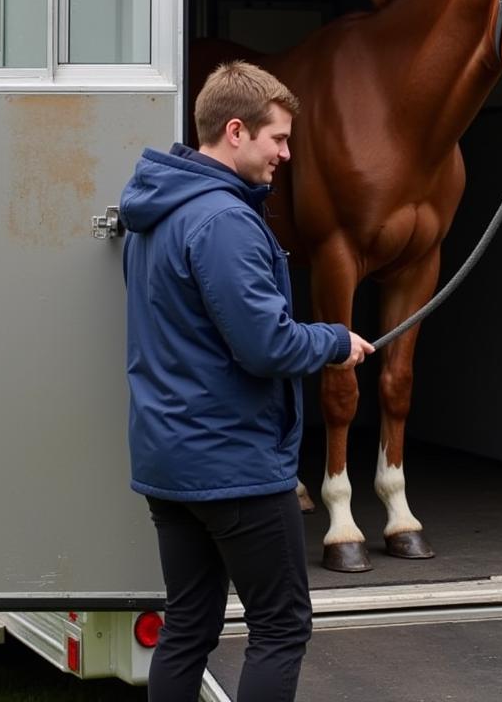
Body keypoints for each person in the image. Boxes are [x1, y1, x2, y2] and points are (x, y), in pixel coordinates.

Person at [120, 60, 373, 702]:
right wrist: (335, 340)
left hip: (171, 463)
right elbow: (265, 344)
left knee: (188, 630)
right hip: (232, 466)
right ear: (236, 131)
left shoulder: (158, 211)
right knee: (281, 627)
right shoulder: (224, 221)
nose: (286, 155)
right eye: (278, 139)